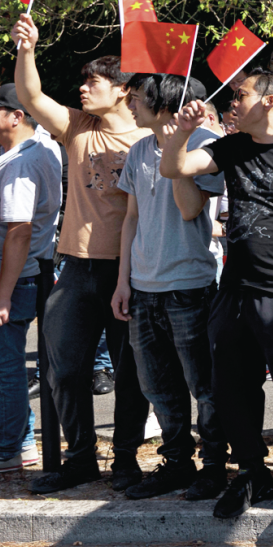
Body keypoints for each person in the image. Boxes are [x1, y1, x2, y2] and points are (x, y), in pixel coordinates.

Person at [0, 23, 154, 494]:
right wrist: (28, 48)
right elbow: (28, 94)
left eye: (92, 81)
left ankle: (125, 460)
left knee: (132, 375)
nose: (82, 87)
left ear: (122, 91)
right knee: (63, 370)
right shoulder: (77, 127)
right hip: (74, 267)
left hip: (131, 273)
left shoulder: (148, 138)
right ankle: (79, 459)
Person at [162, 71, 273, 520]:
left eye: (240, 95)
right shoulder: (232, 146)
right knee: (232, 388)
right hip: (235, 290)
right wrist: (182, 134)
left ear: (270, 101)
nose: (232, 103)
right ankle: (252, 472)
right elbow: (174, 168)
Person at [108, 73, 230, 501]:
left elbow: (189, 208)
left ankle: (215, 466)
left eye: (138, 98)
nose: (130, 105)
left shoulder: (206, 145)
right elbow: (132, 218)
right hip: (142, 287)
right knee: (158, 386)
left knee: (205, 386)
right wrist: (123, 281)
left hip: (190, 286)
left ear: (163, 107)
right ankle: (176, 462)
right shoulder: (139, 149)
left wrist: (177, 145)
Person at [0, 83, 61, 475]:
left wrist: (0, 295)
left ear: (17, 117)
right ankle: (20, 439)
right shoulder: (42, 145)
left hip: (13, 276)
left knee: (2, 367)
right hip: (25, 273)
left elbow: (18, 231)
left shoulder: (20, 165)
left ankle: (8, 449)